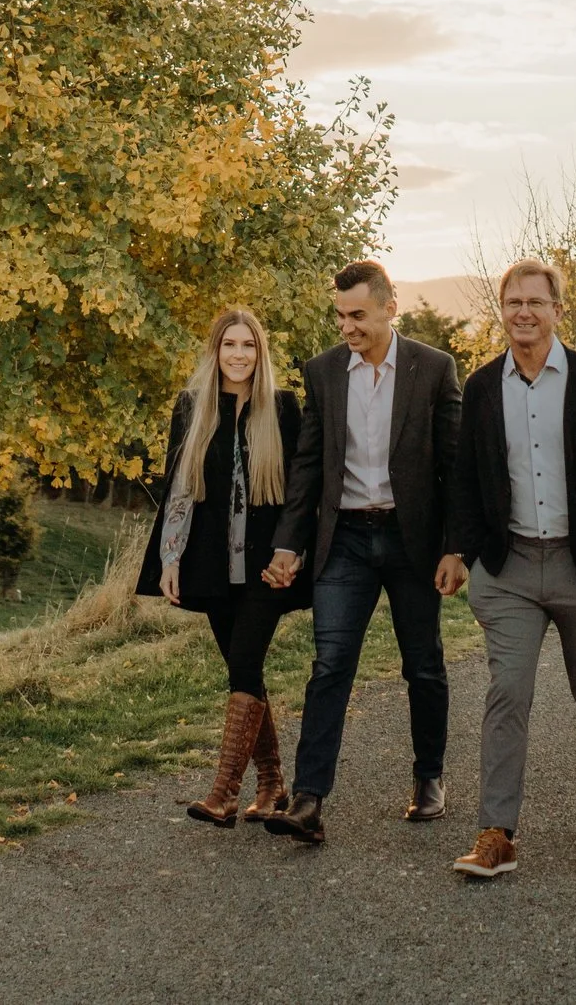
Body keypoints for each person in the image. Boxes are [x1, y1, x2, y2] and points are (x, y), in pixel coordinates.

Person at [438, 258, 576, 879]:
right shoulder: (481, 387)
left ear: (557, 310)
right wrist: (459, 550)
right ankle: (497, 832)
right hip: (510, 569)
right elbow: (466, 478)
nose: (523, 312)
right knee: (508, 693)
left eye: (535, 302)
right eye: (513, 302)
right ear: (501, 311)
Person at [261, 260, 463, 846]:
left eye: (358, 315)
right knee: (330, 665)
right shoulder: (323, 372)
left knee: (422, 664)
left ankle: (429, 777)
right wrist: (288, 543)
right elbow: (308, 464)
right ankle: (308, 799)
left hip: (411, 539)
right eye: (340, 315)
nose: (347, 326)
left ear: (389, 308)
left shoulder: (433, 368)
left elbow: (454, 468)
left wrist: (455, 548)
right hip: (344, 539)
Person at [136, 307, 310, 826]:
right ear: (216, 351)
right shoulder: (191, 407)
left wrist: (294, 552)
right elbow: (180, 488)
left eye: (248, 345)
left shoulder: (283, 407)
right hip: (212, 563)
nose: (239, 354)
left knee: (245, 662)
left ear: (261, 352)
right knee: (242, 668)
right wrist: (170, 557)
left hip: (267, 567)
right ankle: (273, 781)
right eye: (230, 344)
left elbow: (302, 491)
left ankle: (223, 793)